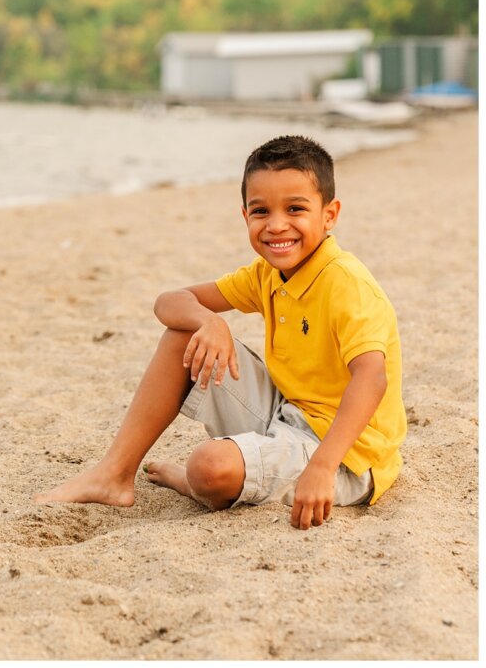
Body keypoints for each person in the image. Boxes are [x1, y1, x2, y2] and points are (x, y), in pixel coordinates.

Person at [35, 135, 405, 531]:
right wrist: (210, 321)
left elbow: (372, 378)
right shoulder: (267, 274)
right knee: (183, 333)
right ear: (245, 215)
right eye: (261, 211)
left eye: (296, 209)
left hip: (347, 455)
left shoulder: (346, 283)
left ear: (329, 215)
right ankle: (114, 474)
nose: (277, 225)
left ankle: (196, 484)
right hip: (287, 412)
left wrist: (323, 466)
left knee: (208, 466)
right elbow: (169, 302)